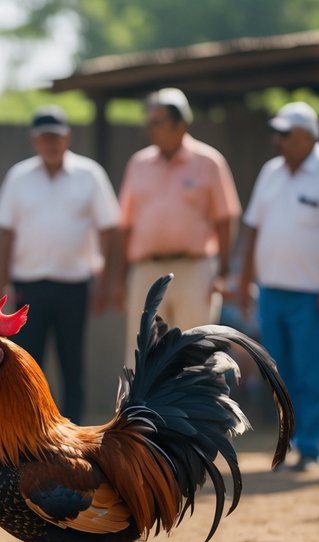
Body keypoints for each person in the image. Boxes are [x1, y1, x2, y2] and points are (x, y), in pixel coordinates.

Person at [238, 102, 319, 472]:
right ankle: (286, 443)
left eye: (286, 134)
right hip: (271, 290)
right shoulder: (271, 172)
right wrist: (243, 278)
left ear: (308, 136)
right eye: (277, 133)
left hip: (312, 292)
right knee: (278, 372)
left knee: (311, 373)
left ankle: (309, 447)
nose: (278, 140)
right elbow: (254, 227)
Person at [0, 105, 120, 424]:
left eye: (56, 137)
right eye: (44, 138)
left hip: (74, 285)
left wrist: (105, 283)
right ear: (35, 141)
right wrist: (2, 287)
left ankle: (72, 431)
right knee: (25, 363)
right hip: (27, 285)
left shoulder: (89, 175)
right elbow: (7, 235)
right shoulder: (19, 177)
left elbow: (108, 230)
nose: (50, 144)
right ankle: (26, 428)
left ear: (68, 138)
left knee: (71, 362)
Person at [115, 87, 240, 363]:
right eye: (149, 122)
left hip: (194, 270)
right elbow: (125, 224)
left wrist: (223, 273)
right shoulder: (139, 164)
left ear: (180, 124)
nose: (150, 128)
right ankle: (140, 409)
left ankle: (193, 409)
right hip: (146, 270)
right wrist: (121, 277)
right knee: (142, 355)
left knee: (193, 350)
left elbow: (225, 218)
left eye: (157, 122)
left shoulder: (209, 162)